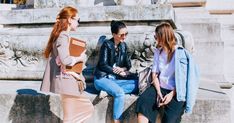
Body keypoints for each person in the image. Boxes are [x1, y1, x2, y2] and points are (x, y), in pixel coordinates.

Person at [136, 22, 199, 123]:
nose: (155, 39)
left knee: (169, 120)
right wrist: (159, 92)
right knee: (143, 103)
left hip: (176, 91)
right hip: (159, 87)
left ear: (163, 37)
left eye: (156, 37)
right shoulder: (158, 51)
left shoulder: (180, 53)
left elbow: (183, 81)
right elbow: (154, 74)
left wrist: (170, 95)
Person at [40, 6, 94, 123]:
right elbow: (65, 60)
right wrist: (79, 58)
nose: (78, 23)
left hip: (65, 80)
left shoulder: (61, 35)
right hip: (66, 80)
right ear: (70, 19)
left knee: (72, 115)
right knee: (82, 111)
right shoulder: (63, 35)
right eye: (78, 20)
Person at [94, 20, 138, 123]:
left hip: (115, 80)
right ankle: (117, 120)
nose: (124, 37)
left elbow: (128, 65)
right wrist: (117, 71)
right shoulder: (107, 45)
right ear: (114, 34)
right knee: (119, 93)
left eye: (126, 34)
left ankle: (108, 91)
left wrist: (122, 69)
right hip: (102, 78)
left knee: (138, 85)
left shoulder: (123, 45)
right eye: (121, 34)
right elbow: (103, 65)